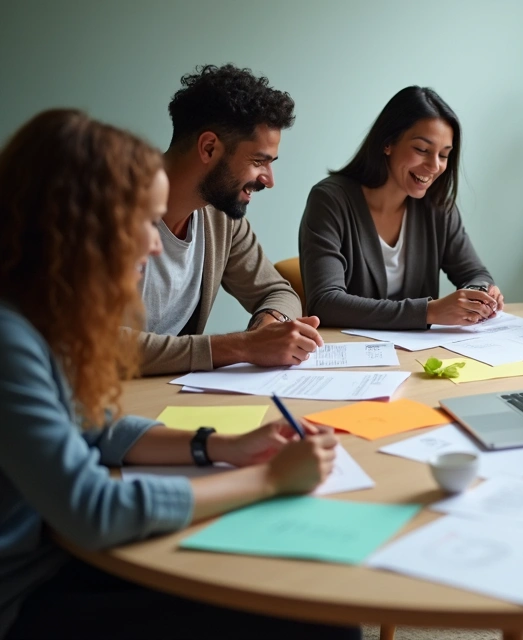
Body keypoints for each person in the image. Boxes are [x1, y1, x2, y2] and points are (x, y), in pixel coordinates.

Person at [0, 109, 358, 640]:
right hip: (28, 595)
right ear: (77, 226)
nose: (152, 243)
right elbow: (92, 509)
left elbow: (94, 426)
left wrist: (221, 447)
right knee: (318, 622)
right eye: (140, 222)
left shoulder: (41, 315)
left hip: (61, 559)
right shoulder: (11, 339)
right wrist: (265, 478)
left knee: (301, 592)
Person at [136, 64, 323, 376]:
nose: (269, 179)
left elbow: (278, 292)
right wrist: (244, 346)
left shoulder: (219, 217)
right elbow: (94, 343)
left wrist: (270, 326)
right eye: (258, 161)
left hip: (168, 397)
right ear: (209, 148)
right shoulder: (106, 211)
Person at [299, 86, 502, 329]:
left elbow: (475, 273)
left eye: (444, 155)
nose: (434, 166)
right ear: (388, 143)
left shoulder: (438, 207)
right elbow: (326, 302)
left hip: (417, 355)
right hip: (351, 353)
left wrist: (478, 293)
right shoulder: (331, 200)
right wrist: (428, 312)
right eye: (422, 150)